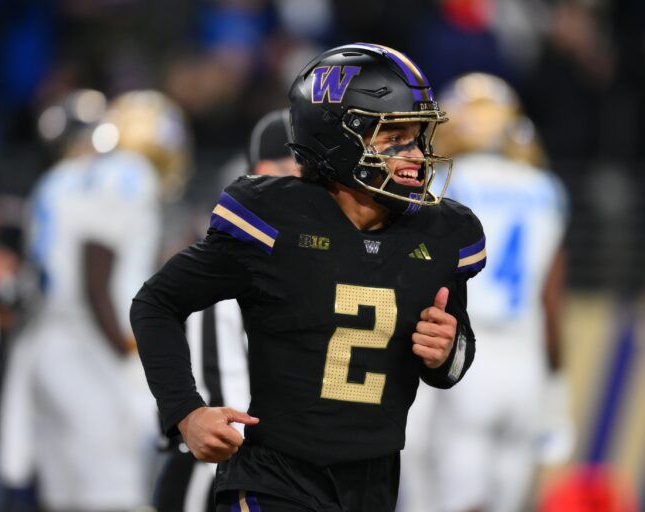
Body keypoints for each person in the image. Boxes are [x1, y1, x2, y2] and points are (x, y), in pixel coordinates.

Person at [130, 43, 485, 511]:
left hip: (373, 485)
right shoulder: (275, 218)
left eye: (418, 136)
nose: (414, 155)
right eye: (392, 135)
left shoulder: (441, 234)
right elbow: (156, 303)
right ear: (337, 138)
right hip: (274, 477)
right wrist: (185, 412)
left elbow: (454, 361)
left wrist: (447, 350)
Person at [0, 89, 190, 512]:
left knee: (66, 496)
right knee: (114, 494)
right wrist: (124, 347)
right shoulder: (127, 175)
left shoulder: (58, 179)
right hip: (92, 349)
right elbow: (96, 267)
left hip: (50, 346)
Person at [401, 73, 572, 512]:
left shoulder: (441, 181)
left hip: (461, 350)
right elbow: (552, 298)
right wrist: (557, 386)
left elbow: (418, 272)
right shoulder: (546, 188)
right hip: (525, 357)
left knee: (443, 495)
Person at [153, 108, 297, 512]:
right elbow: (218, 415)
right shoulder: (239, 258)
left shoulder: (306, 256)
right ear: (270, 171)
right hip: (218, 473)